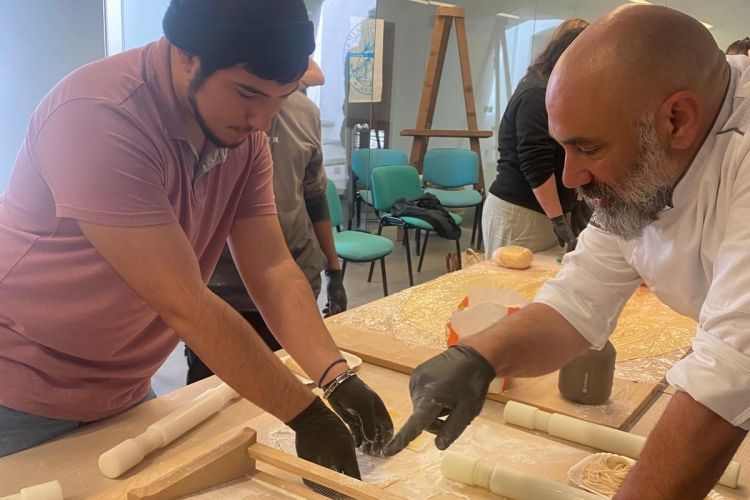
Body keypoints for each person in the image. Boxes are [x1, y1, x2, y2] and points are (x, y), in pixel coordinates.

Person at [0, 0, 393, 478]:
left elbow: (270, 267)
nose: (261, 122)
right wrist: (304, 414)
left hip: (120, 387)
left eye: (280, 97)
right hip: (17, 389)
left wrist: (334, 376)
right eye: (247, 93)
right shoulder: (99, 116)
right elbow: (185, 301)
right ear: (185, 54)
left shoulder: (242, 137)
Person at [384, 5, 750, 498]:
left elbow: (727, 379)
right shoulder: (650, 153)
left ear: (678, 120)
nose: (572, 178)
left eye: (590, 149)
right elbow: (577, 302)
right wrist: (480, 355)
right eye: (564, 150)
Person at [185, 61, 347, 382]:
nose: (260, 119)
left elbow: (314, 197)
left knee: (290, 385)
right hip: (221, 289)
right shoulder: (206, 114)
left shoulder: (305, 114)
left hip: (293, 278)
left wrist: (333, 269)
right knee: (216, 400)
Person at [482, 18, 589, 256]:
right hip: (522, 212)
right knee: (511, 289)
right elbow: (535, 162)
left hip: (546, 211)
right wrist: (558, 218)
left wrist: (575, 203)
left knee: (540, 287)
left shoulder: (555, 92)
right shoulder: (537, 94)